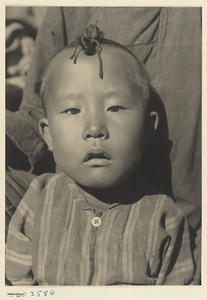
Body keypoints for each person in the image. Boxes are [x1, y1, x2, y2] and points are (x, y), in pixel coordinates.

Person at [5, 25, 194, 286]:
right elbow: (17, 281)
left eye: (114, 107)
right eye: (72, 110)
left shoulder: (165, 218)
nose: (94, 129)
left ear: (148, 128)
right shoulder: (38, 201)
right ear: (48, 135)